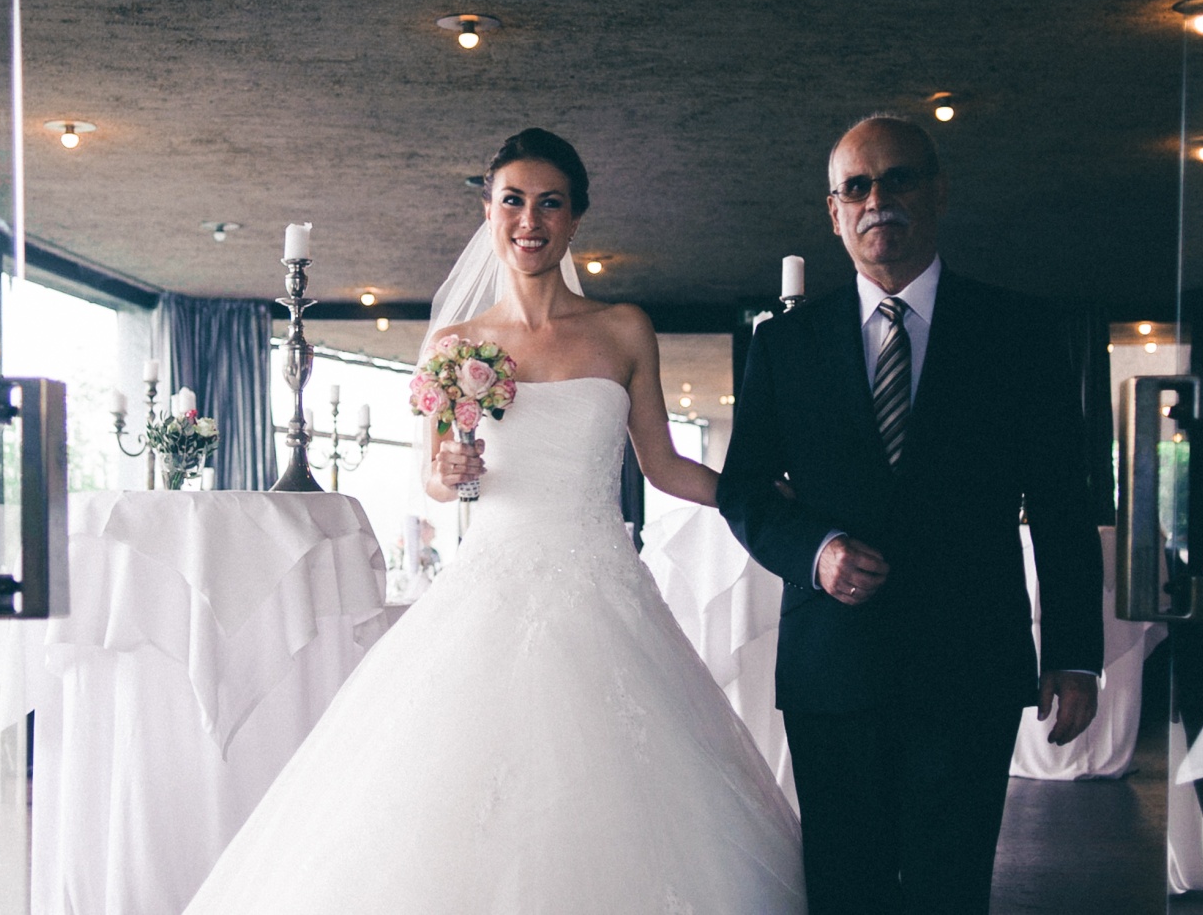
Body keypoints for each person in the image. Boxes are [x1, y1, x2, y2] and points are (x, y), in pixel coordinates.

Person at [183, 128, 806, 914]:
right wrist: (447, 472)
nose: (529, 219)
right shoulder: (457, 343)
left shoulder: (622, 328)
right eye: (512, 200)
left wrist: (768, 501)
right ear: (488, 211)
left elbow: (664, 466)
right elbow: (436, 479)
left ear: (576, 219)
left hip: (602, 590)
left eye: (550, 203)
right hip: (489, 585)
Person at [717, 114, 1104, 915]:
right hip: (834, 667)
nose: (877, 200)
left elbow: (1064, 505)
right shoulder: (785, 347)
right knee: (845, 889)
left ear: (937, 191)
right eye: (856, 186)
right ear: (834, 212)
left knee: (950, 889)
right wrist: (816, 551)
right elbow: (744, 489)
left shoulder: (1021, 333)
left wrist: (1074, 653)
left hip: (971, 664)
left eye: (897, 179)